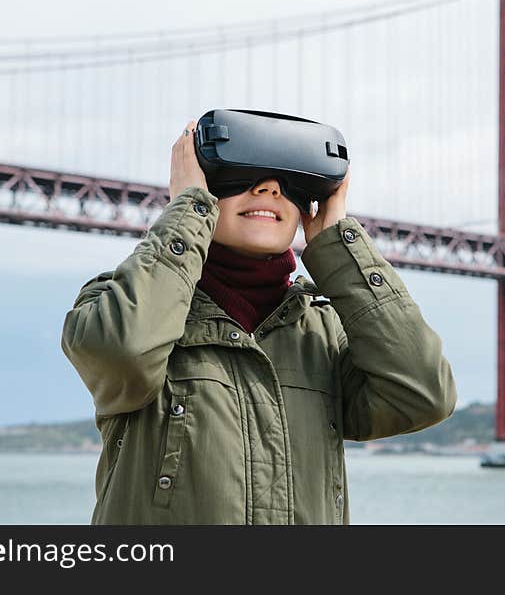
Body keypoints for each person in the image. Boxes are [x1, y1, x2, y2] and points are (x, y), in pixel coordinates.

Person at [60, 119, 457, 524]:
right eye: (240, 174)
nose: (270, 189)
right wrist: (187, 209)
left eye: (290, 181)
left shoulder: (323, 332)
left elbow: (423, 395)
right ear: (199, 186)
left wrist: (338, 244)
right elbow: (122, 350)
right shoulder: (119, 301)